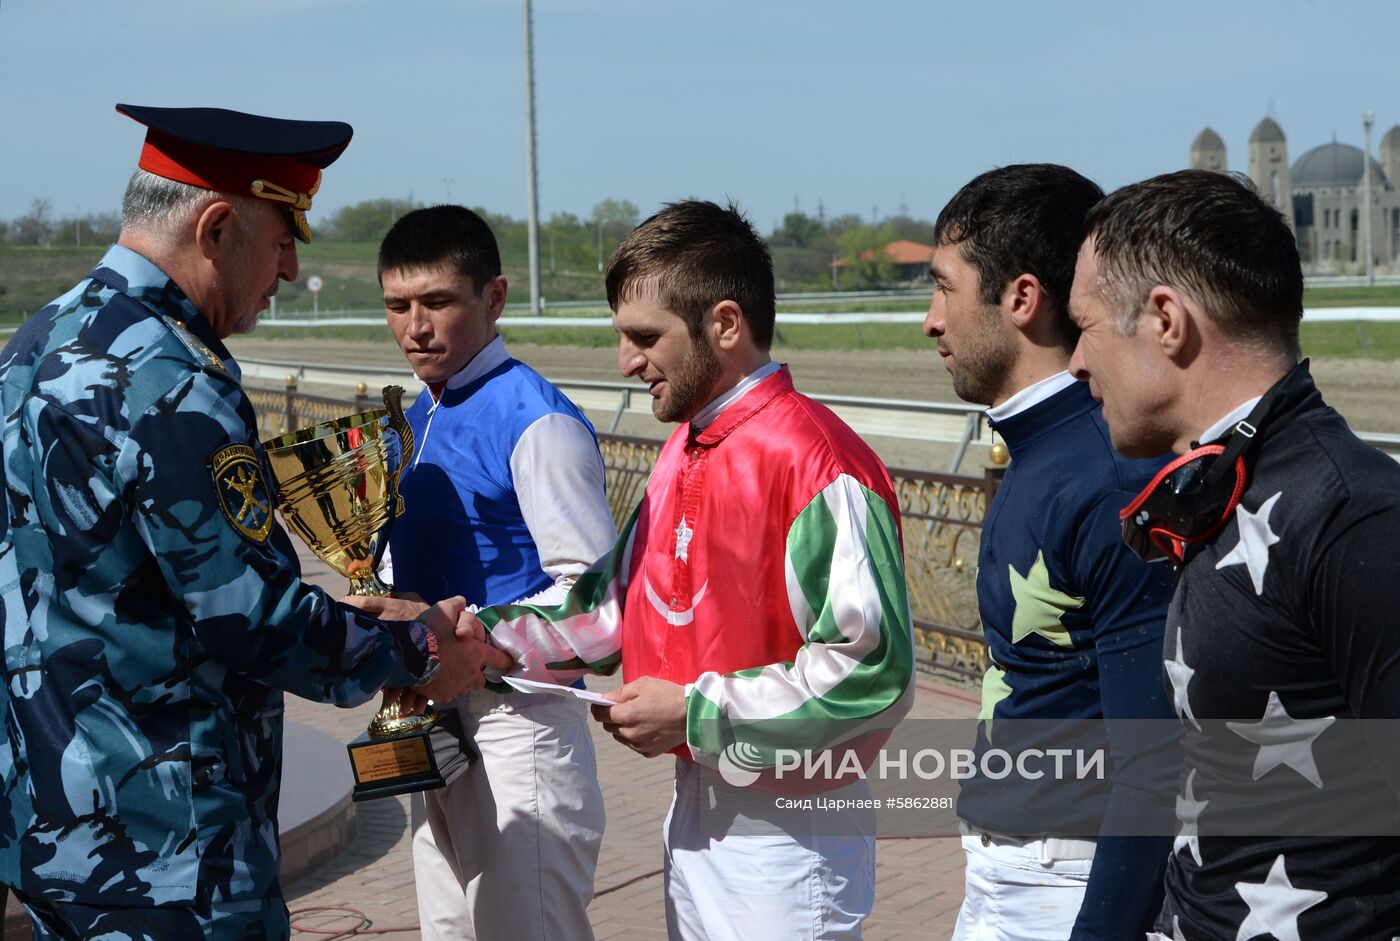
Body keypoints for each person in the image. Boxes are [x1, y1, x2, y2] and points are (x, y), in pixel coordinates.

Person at [0, 104, 510, 940]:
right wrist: (420, 648)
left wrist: (363, 612)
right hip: (169, 853)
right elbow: (255, 619)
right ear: (216, 226)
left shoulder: (36, 343)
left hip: (53, 833)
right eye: (281, 241)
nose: (286, 271)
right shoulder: (171, 376)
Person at [464, 200, 914, 940]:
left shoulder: (818, 461)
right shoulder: (684, 447)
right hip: (697, 805)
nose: (626, 362)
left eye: (645, 338)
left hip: (789, 837)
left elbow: (872, 672)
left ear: (725, 325)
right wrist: (473, 640)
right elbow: (609, 612)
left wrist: (697, 712)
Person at [1067, 169, 1400, 939]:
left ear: (1165, 320)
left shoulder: (1355, 515)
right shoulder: (1225, 487)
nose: (1076, 361)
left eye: (1084, 325)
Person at [923, 164, 1179, 941]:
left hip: (1067, 884)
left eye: (942, 287)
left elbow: (1156, 763)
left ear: (1022, 299)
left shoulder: (1104, 476)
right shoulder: (1041, 452)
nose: (930, 320)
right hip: (1008, 873)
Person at [346, 205, 615, 941]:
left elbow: (598, 606)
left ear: (493, 297)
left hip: (517, 729)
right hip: (433, 720)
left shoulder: (537, 420)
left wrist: (473, 641)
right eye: (397, 305)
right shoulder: (419, 417)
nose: (415, 327)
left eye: (437, 302)